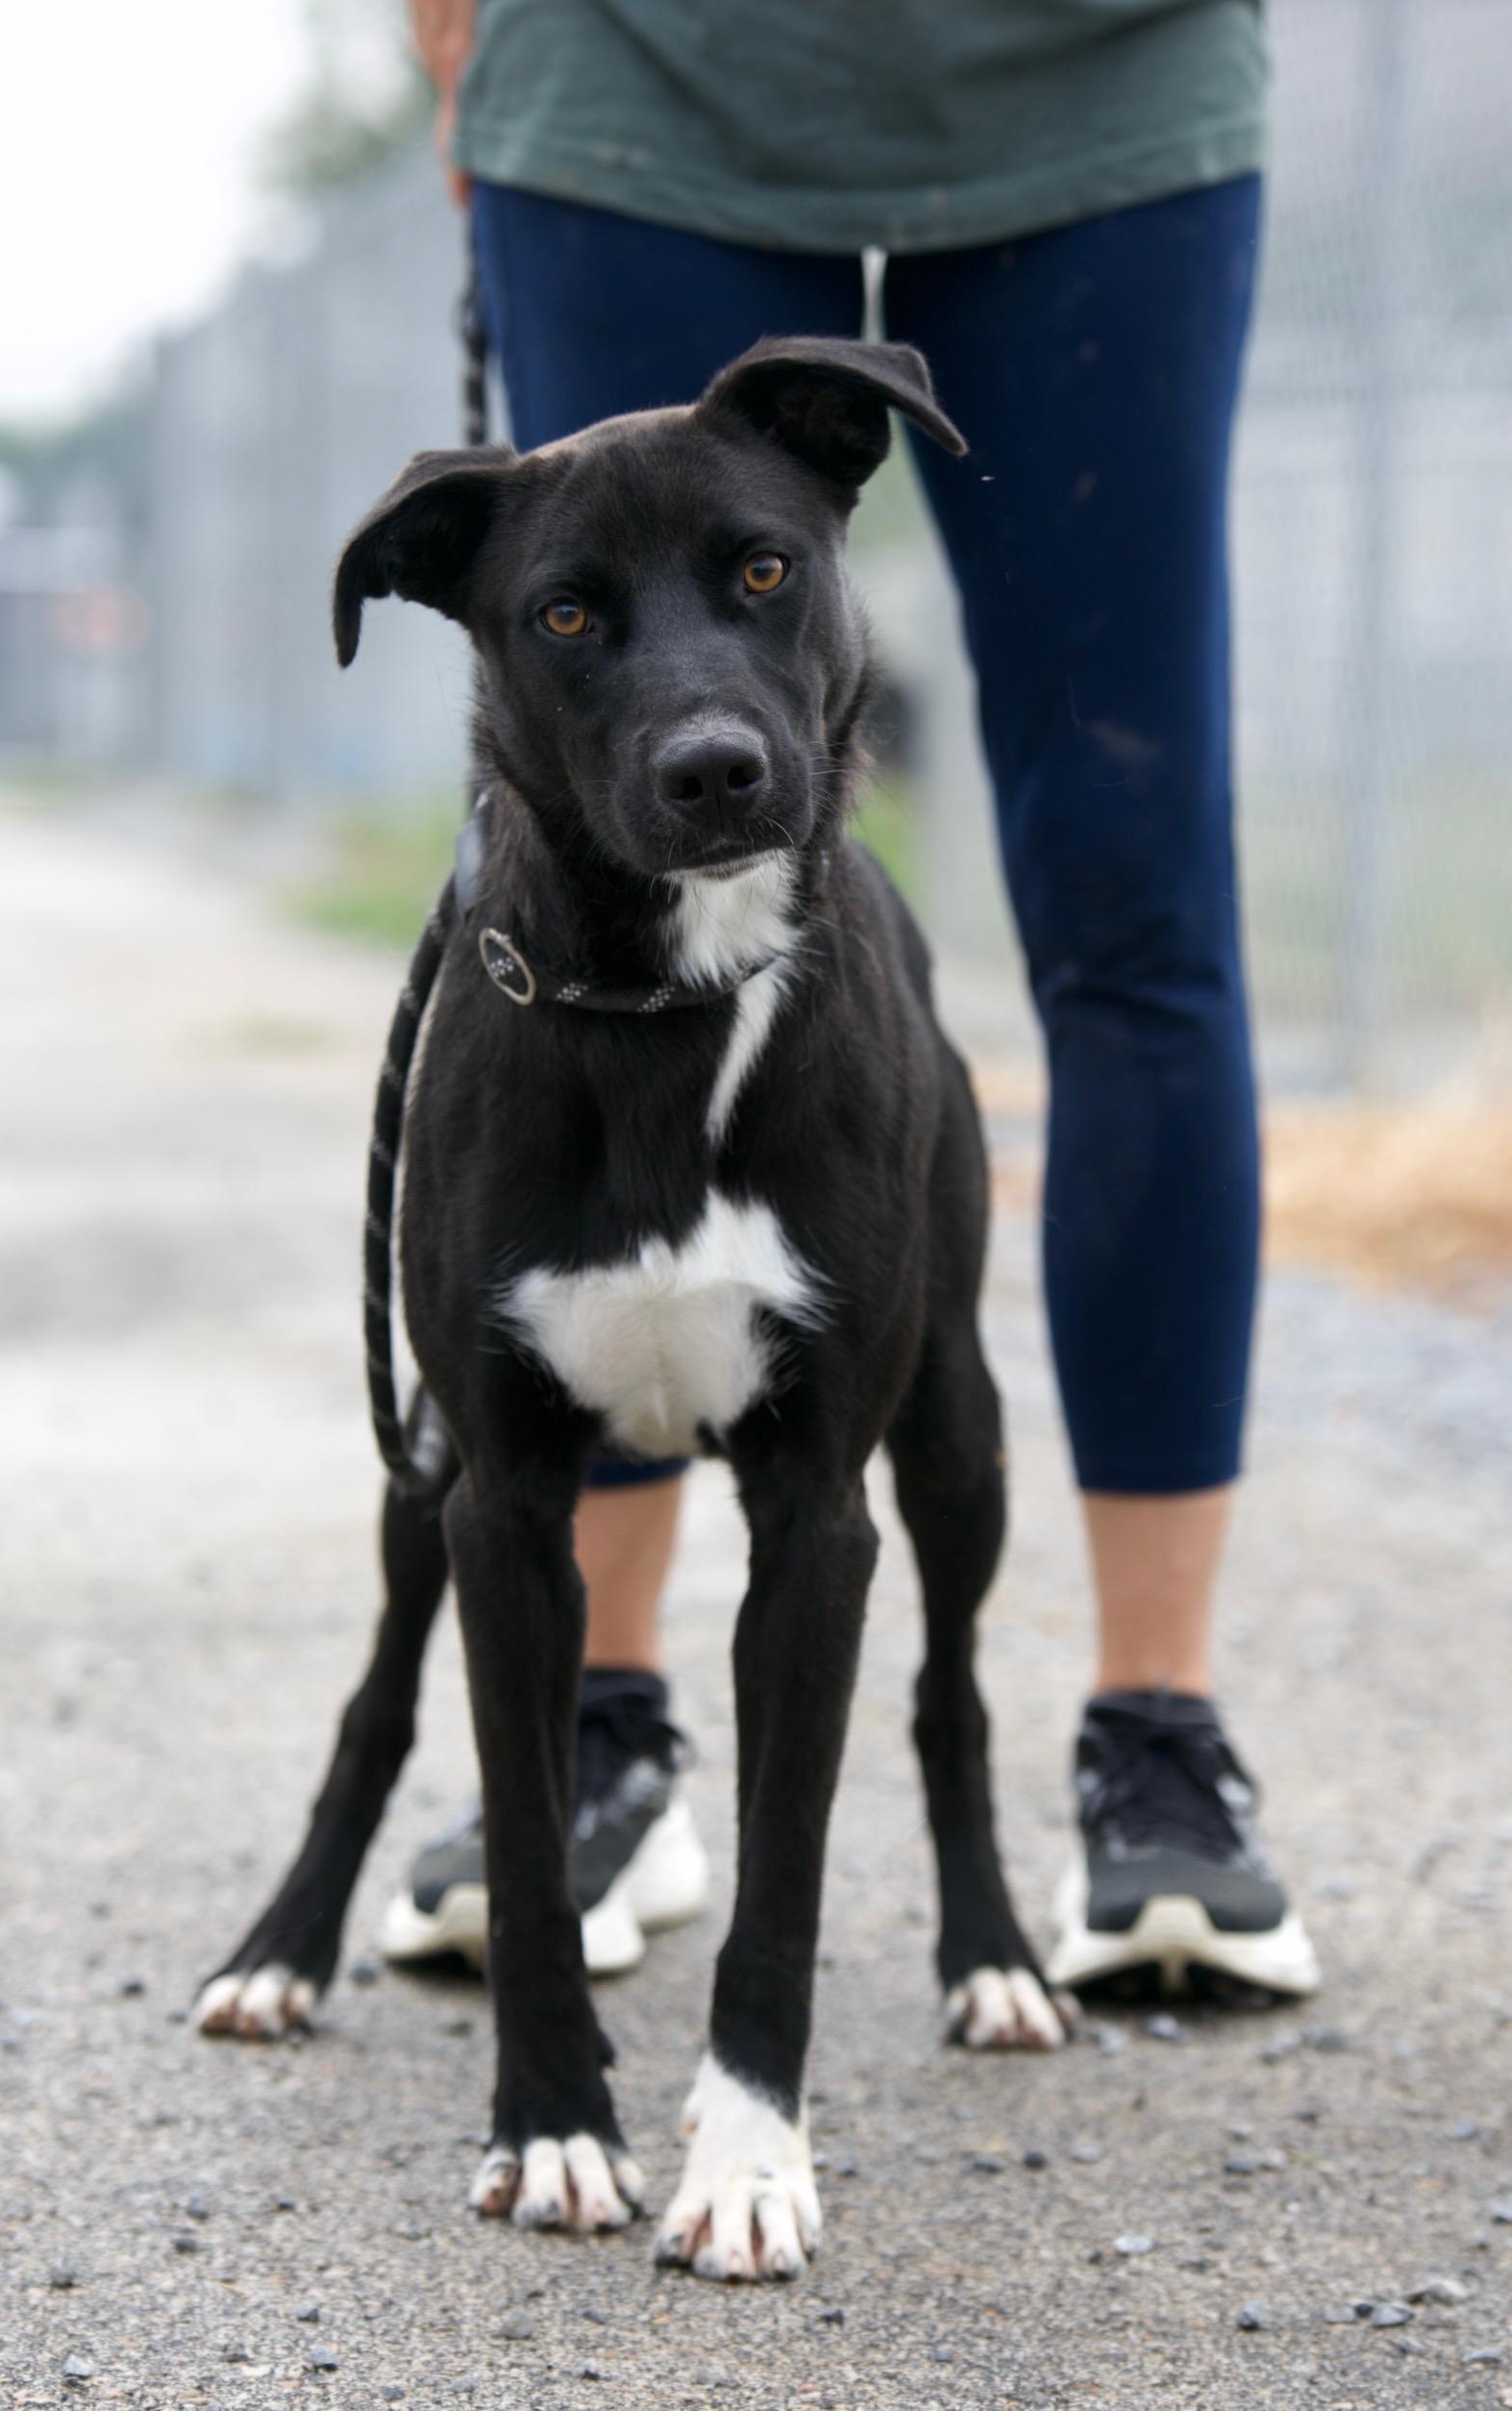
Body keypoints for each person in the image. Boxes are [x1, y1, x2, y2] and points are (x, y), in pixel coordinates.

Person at [379, 0, 1320, 2003]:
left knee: (1136, 897)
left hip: (1106, 73)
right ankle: (606, 1721)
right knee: (610, 854)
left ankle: (1153, 1739)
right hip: (641, 69)